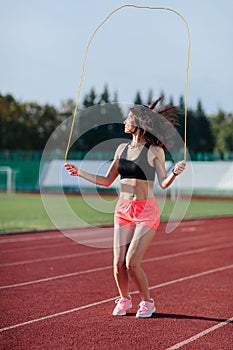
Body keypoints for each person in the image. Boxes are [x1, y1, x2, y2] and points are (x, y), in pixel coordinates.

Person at [65, 97, 186, 318]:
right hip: (123, 209)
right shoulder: (121, 148)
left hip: (146, 211)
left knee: (132, 262)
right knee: (118, 262)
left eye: (128, 118)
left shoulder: (154, 150)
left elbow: (163, 182)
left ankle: (147, 302)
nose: (124, 121)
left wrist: (175, 173)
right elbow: (106, 180)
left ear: (138, 123)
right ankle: (124, 299)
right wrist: (79, 172)